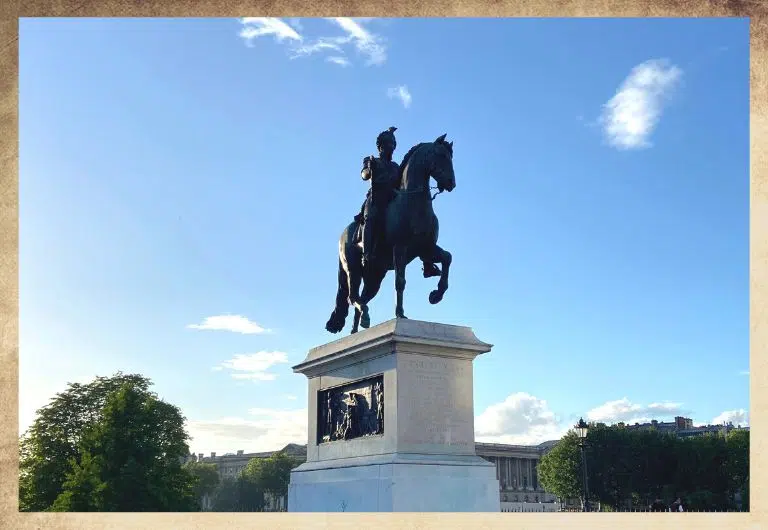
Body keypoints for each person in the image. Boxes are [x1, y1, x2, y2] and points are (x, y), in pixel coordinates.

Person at [356, 127, 441, 278]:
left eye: (393, 144)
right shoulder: (371, 160)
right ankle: (366, 254)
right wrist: (369, 170)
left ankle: (427, 261)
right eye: (389, 144)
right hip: (376, 198)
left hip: (393, 197)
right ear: (381, 146)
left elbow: (401, 183)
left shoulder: (395, 167)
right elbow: (364, 175)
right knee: (371, 218)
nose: (392, 147)